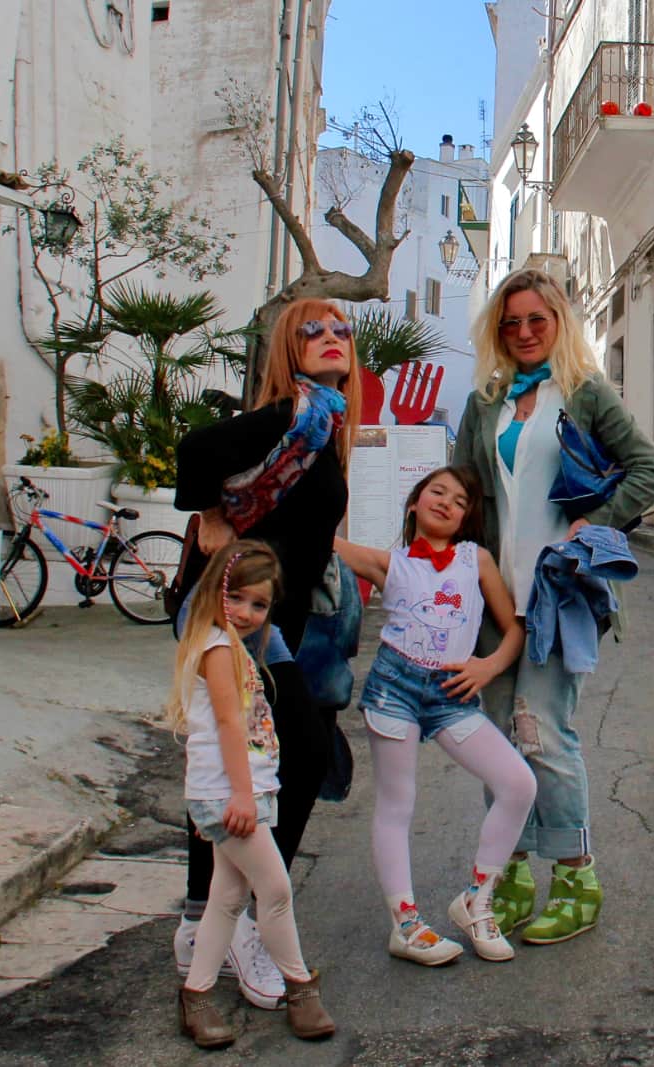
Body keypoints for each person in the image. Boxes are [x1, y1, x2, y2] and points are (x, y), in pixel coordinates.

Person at [451, 268, 654, 944]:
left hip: (558, 593)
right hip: (493, 597)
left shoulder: (584, 393)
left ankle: (577, 874)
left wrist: (593, 524)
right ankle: (507, 873)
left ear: (558, 323)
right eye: (511, 322)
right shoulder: (485, 400)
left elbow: (649, 471)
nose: (522, 333)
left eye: (535, 321)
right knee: (497, 739)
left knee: (541, 731)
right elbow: (464, 489)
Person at [170, 299, 362, 1007]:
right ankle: (237, 920)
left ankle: (208, 918)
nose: (334, 339)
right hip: (234, 617)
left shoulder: (325, 424)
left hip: (268, 621)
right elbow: (197, 452)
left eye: (343, 331)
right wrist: (213, 514)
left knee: (263, 759)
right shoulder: (291, 415)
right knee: (292, 755)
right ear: (291, 349)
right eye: (316, 332)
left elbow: (305, 526)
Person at [332, 466, 537, 965]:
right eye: (436, 492)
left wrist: (487, 667)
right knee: (396, 804)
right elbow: (323, 538)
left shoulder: (476, 559)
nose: (446, 502)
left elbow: (514, 627)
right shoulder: (391, 564)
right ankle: (405, 924)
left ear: (467, 517)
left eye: (459, 500)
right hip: (395, 689)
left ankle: (476, 900)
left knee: (518, 784)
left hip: (451, 694)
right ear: (413, 504)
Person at [169, 541, 334, 1049]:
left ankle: (195, 997)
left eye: (259, 605)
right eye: (236, 598)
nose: (246, 613)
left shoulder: (235, 646)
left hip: (240, 792)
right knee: (276, 892)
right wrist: (237, 797)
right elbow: (227, 724)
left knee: (228, 897)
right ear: (216, 592)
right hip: (231, 795)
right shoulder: (217, 649)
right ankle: (299, 987)